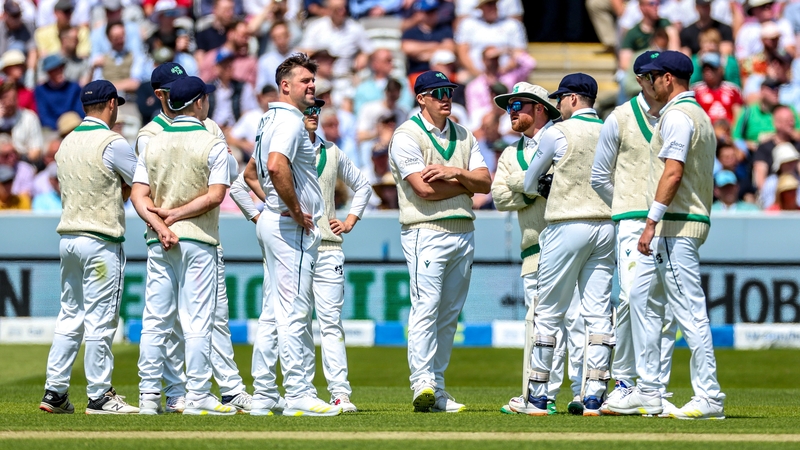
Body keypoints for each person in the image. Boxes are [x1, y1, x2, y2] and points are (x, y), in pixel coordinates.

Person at [606, 51, 726, 420]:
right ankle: (649, 392)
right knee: (641, 299)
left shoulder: (677, 115)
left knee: (689, 311)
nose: (646, 84)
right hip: (676, 224)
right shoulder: (697, 114)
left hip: (675, 225)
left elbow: (672, 172)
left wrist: (652, 221)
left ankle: (709, 397)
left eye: (650, 77)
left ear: (667, 78)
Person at [234, 97, 372, 413]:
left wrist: (350, 220)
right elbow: (242, 185)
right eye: (307, 109)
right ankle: (289, 391)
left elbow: (363, 187)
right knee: (285, 316)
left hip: (327, 248)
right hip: (289, 240)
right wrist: (266, 214)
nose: (312, 114)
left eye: (316, 110)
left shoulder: (332, 152)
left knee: (329, 322)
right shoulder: (286, 145)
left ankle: (339, 393)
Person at [135, 62, 251, 415]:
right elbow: (217, 195)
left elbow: (139, 196)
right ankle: (196, 394)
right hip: (197, 237)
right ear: (198, 102)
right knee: (198, 319)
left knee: (156, 318)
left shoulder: (153, 144)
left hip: (161, 240)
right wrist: (174, 218)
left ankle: (147, 397)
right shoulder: (208, 139)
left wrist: (162, 223)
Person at [388, 70, 491, 413]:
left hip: (464, 229)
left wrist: (454, 173)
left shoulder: (463, 134)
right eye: (438, 92)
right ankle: (422, 383)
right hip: (425, 230)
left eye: (449, 91)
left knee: (448, 315)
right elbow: (424, 190)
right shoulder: (407, 135)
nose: (446, 97)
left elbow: (485, 182)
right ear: (421, 99)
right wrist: (467, 183)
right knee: (426, 307)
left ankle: (439, 388)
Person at [249, 53, 342, 417]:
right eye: (305, 81)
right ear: (285, 86)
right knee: (294, 313)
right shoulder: (289, 121)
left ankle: (264, 393)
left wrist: (277, 205)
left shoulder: (268, 118)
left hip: (273, 223)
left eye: (313, 81)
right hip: (290, 227)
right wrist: (295, 209)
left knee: (273, 312)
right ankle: (300, 392)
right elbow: (274, 166)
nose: (312, 87)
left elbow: (251, 174)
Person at [39, 80, 139, 415]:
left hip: (68, 239)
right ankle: (99, 395)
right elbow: (140, 182)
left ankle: (55, 391)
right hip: (100, 240)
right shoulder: (113, 142)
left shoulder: (65, 143)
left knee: (70, 316)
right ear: (112, 104)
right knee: (100, 319)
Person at [519, 73, 614, 416]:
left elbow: (529, 182)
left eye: (561, 98)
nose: (558, 105)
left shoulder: (558, 132)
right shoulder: (610, 129)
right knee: (598, 313)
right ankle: (594, 394)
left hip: (566, 223)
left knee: (549, 311)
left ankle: (539, 395)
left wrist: (545, 184)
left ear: (574, 99)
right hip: (606, 226)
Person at [592, 51, 678, 417]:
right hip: (631, 223)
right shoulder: (620, 118)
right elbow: (599, 176)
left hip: (672, 221)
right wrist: (629, 206)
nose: (661, 82)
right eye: (654, 76)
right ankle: (625, 381)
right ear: (641, 79)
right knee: (631, 298)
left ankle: (656, 387)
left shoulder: (678, 116)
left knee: (668, 308)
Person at [490, 82, 576, 416]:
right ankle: (540, 393)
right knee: (537, 321)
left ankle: (578, 392)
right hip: (533, 250)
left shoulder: (562, 140)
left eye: (519, 105)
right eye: (509, 106)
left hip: (568, 244)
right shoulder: (511, 153)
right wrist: (532, 186)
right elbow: (499, 197)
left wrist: (527, 185)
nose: (512, 111)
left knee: (574, 321)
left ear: (540, 108)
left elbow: (562, 187)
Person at [454, 0, 528, 78]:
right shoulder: (468, 24)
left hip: (506, 74)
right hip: (474, 74)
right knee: (462, 77)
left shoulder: (512, 25)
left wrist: (505, 70)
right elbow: (462, 52)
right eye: (489, 5)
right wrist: (477, 74)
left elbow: (519, 51)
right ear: (481, 8)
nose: (493, 7)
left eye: (494, 4)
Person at [752, 105, 800, 191]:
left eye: (792, 120)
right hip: (774, 191)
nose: (791, 123)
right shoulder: (764, 148)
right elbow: (760, 179)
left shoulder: (798, 144)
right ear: (776, 123)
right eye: (787, 121)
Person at [35, 54, 83, 131]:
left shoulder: (74, 87)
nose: (59, 72)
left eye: (61, 68)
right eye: (54, 70)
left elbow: (80, 111)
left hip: (75, 127)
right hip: (54, 130)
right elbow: (44, 115)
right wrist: (59, 128)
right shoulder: (41, 90)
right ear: (48, 72)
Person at [691, 52, 743, 124]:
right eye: (705, 68)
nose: (707, 71)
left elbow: (738, 115)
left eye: (712, 68)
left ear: (721, 70)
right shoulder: (695, 91)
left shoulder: (733, 90)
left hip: (728, 131)